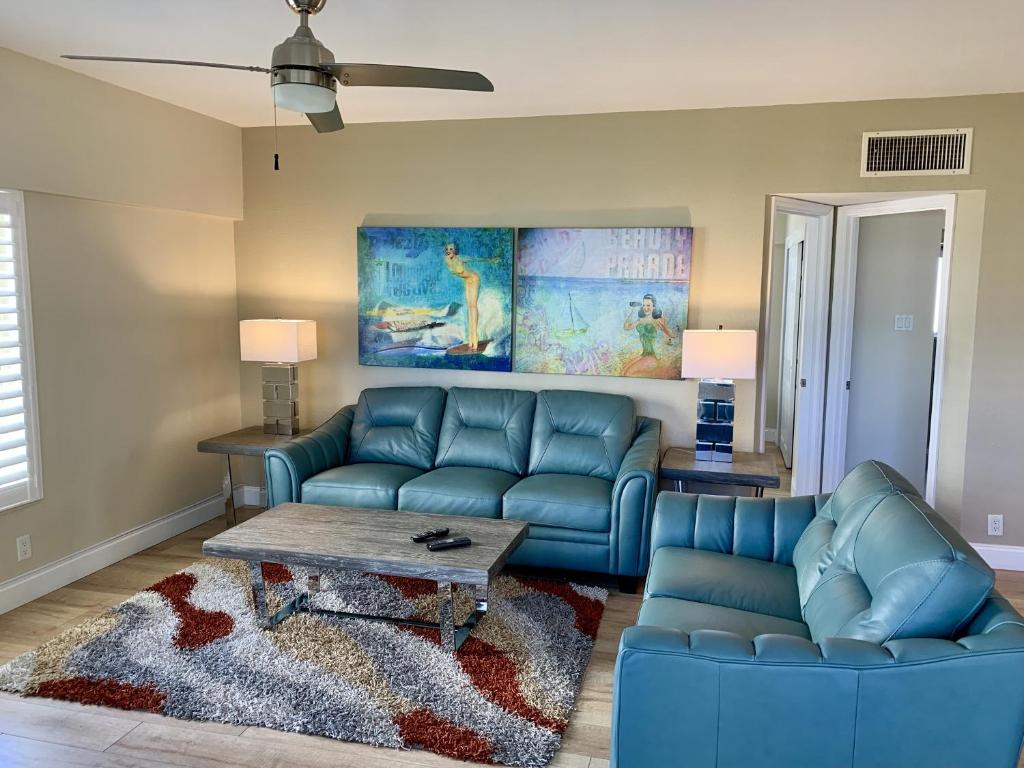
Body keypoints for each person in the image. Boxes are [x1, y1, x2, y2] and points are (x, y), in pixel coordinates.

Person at [443, 243, 480, 351]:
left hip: (474, 279)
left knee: (473, 307)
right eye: (447, 249)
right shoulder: (447, 260)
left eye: (451, 249)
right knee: (469, 308)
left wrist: (491, 259)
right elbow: (451, 264)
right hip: (467, 281)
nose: (449, 251)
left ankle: (475, 337)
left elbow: (475, 259)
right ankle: (471, 338)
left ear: (455, 251)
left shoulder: (460, 258)